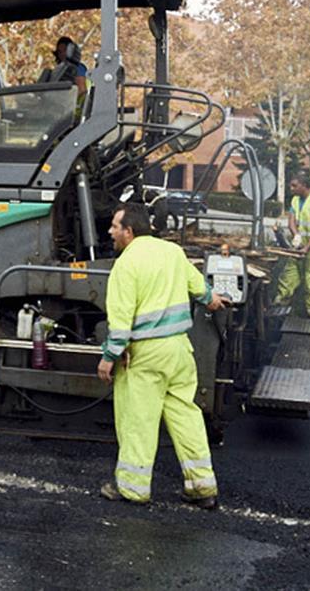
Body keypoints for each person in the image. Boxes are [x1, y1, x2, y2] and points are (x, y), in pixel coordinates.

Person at [96, 203, 228, 507]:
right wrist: (213, 300)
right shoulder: (171, 252)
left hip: (146, 354)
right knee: (186, 417)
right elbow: (199, 287)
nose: (110, 231)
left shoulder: (126, 265)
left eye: (115, 226)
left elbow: (121, 319)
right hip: (180, 349)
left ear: (128, 232)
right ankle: (202, 488)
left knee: (138, 420)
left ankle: (133, 489)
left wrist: (109, 357)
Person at [274, 175, 310, 320]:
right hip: (298, 247)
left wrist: (307, 248)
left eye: (294, 186)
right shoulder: (295, 201)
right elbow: (291, 221)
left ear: (303, 185)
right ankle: (279, 311)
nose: (291, 189)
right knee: (288, 279)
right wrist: (296, 236)